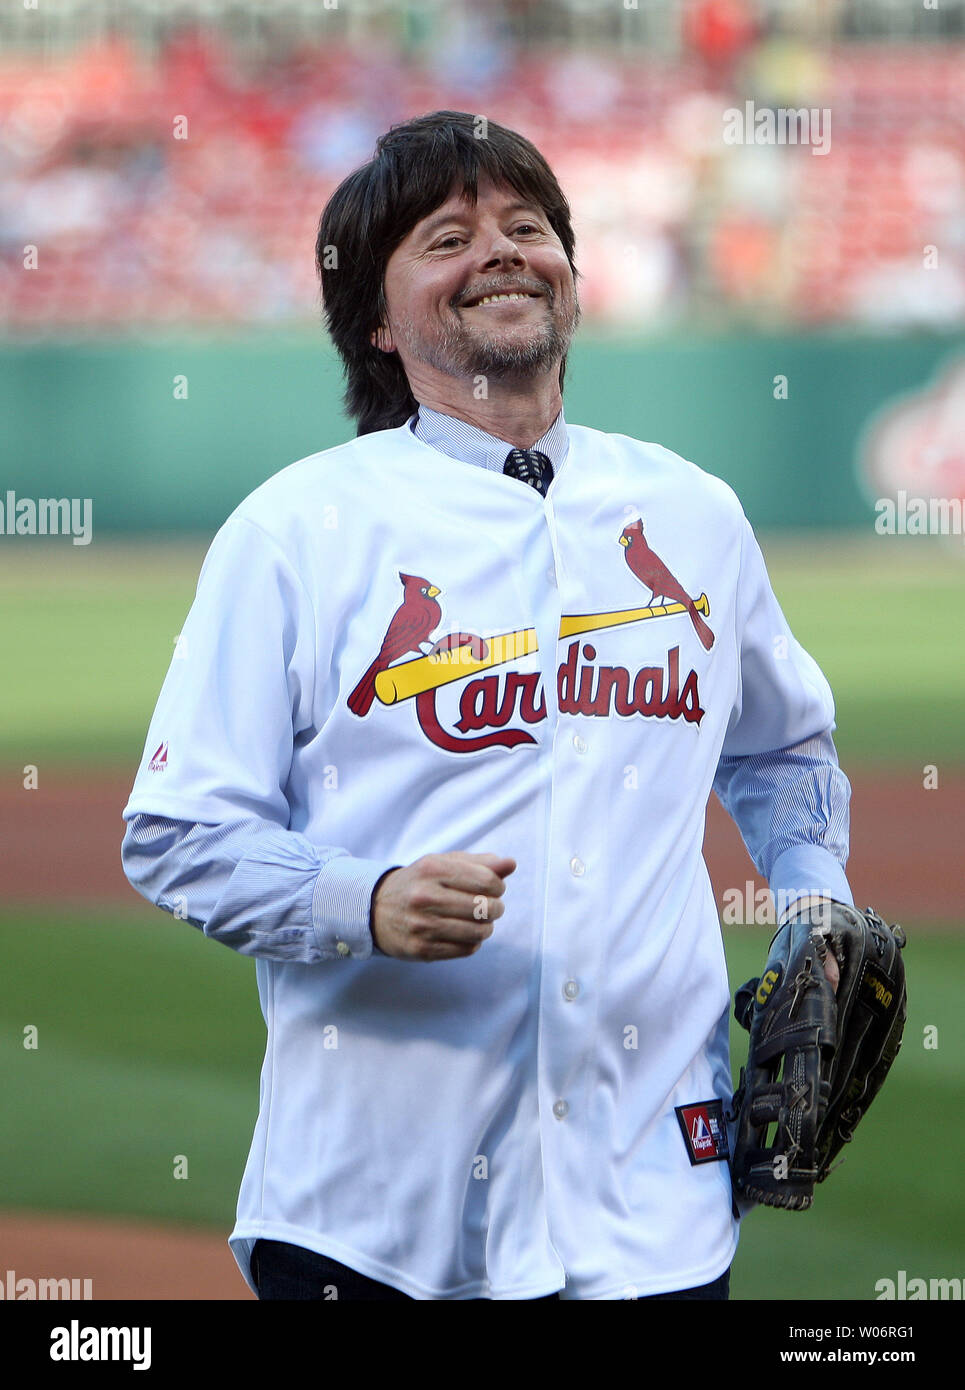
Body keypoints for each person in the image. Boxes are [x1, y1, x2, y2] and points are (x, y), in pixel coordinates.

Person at [121, 110, 851, 1301]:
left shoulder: (694, 513)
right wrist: (363, 899)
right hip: (378, 1219)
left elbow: (781, 748)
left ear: (570, 274)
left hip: (653, 1214)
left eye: (527, 226)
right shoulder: (296, 529)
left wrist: (813, 901)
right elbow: (174, 833)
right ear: (374, 315)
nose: (501, 251)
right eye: (446, 237)